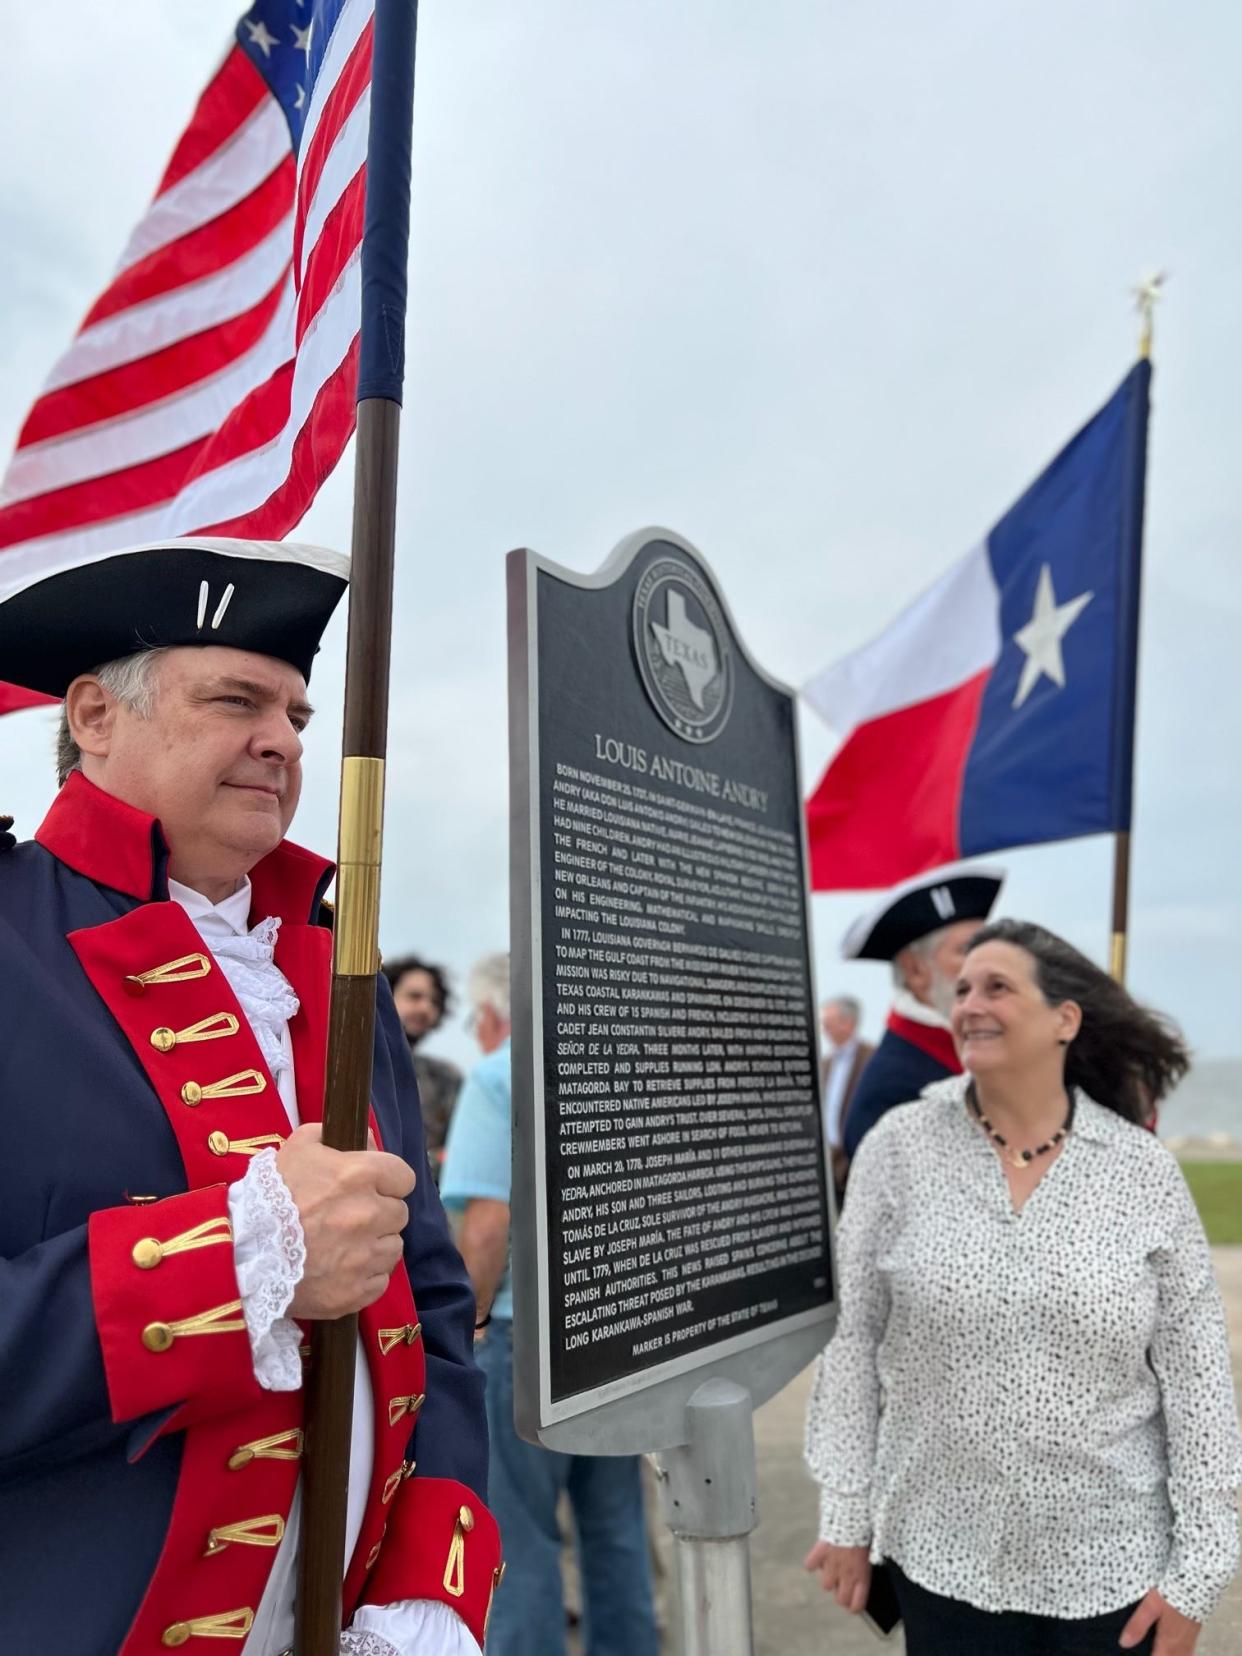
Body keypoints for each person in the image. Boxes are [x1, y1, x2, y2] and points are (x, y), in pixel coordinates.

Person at [0, 537, 500, 1656]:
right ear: (92, 717)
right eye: (235, 700)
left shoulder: (332, 972)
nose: (279, 739)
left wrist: (428, 1587)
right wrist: (233, 1259)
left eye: (296, 716)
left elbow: (430, 1298)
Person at [804, 918, 1242, 1655]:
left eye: (997, 987)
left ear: (1063, 1021)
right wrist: (845, 1516)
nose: (969, 1002)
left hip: (1114, 1572)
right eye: (963, 986)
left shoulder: (1140, 1171)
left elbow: (1198, 1381)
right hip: (944, 1560)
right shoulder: (898, 1149)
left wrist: (1200, 1568)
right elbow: (851, 1344)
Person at [440, 953, 660, 1656]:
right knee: (617, 1530)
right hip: (611, 1331)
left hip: (521, 1336)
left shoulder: (497, 1076)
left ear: (494, 1014)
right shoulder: (615, 1076)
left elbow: (487, 1224)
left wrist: (467, 1324)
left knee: (517, 1540)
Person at [838, 864, 1004, 1168]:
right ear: (916, 971)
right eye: (968, 950)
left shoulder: (981, 1052)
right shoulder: (889, 1095)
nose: (988, 964)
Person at [382, 954, 464, 1182]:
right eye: (414, 996)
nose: (425, 1007)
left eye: (434, 1001)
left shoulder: (445, 1077)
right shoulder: (354, 1067)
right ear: (385, 995)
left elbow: (460, 1151)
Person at [818, 995, 873, 1199]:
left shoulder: (872, 1059)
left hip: (860, 1161)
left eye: (828, 1023)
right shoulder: (824, 1064)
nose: (824, 1030)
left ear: (847, 1023)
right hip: (830, 1161)